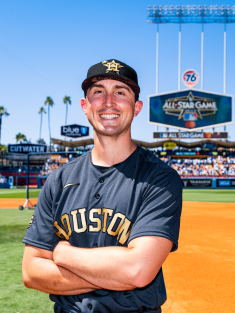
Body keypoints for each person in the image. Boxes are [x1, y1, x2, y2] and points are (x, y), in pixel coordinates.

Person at [22, 59, 182, 313]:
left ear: (137, 107)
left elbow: (137, 271)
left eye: (120, 92)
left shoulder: (160, 179)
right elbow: (31, 272)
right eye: (98, 92)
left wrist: (62, 254)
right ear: (85, 106)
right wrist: (113, 277)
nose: (109, 101)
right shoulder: (58, 179)